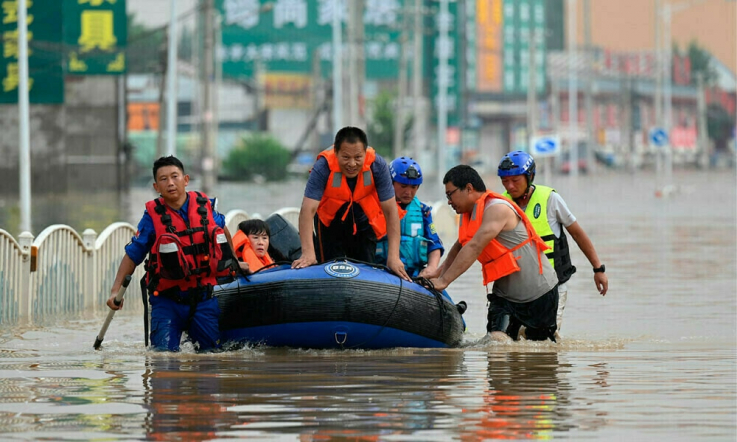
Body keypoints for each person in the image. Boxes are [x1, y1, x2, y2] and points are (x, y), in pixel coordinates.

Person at [106, 156, 238, 352]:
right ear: (156, 186)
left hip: (204, 299)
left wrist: (235, 261)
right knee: (163, 362)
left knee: (210, 362)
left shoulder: (205, 208)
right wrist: (115, 291)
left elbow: (223, 229)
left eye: (174, 176)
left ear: (185, 180)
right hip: (167, 301)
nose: (170, 183)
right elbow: (133, 254)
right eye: (163, 179)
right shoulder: (152, 217)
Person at [427, 165, 559, 342]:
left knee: (540, 354)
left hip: (539, 294)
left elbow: (474, 247)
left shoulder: (497, 209)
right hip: (504, 297)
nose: (449, 201)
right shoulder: (468, 214)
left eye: (450, 194)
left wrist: (444, 281)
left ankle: (532, 332)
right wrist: (437, 272)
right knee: (496, 343)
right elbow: (461, 245)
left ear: (468, 188)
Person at [497, 150, 608, 333]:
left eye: (515, 181)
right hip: (516, 284)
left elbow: (578, 234)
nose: (509, 186)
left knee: (545, 340)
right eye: (504, 181)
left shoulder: (551, 200)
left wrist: (598, 269)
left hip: (552, 284)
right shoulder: (500, 205)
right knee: (509, 340)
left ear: (530, 176)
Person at [291, 126, 410, 281]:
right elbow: (307, 210)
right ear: (336, 153)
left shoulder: (377, 165)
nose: (352, 164)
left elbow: (390, 211)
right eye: (346, 157)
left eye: (358, 157)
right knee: (329, 269)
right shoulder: (323, 167)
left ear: (365, 153)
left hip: (363, 221)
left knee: (366, 270)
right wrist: (308, 253)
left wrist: (394, 257)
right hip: (329, 222)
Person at [375, 157, 444, 278]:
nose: (408, 192)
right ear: (390, 182)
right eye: (403, 186)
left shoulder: (424, 211)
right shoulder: (375, 207)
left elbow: (435, 244)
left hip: (413, 275)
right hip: (380, 272)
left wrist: (431, 268)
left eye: (413, 187)